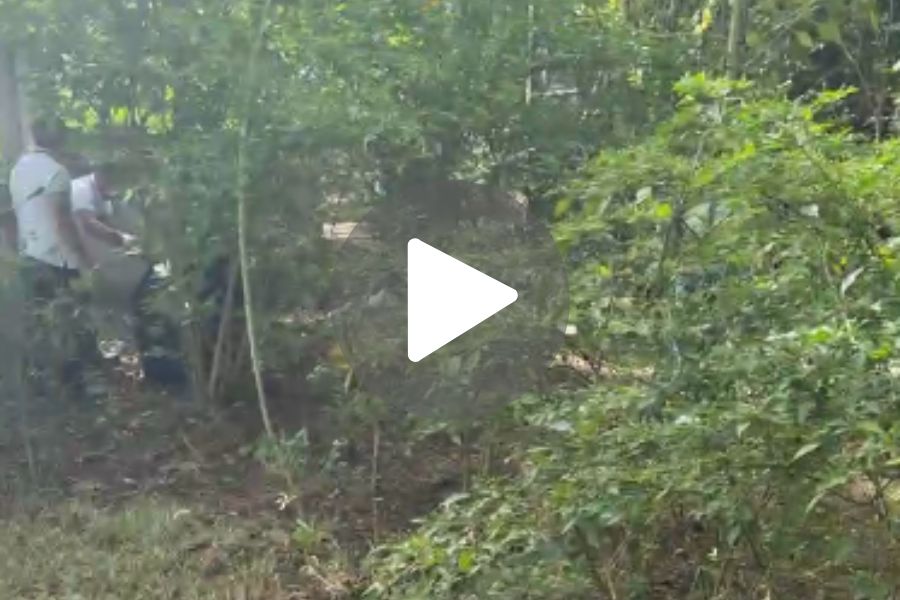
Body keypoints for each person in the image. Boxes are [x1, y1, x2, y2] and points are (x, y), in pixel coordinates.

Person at [8, 116, 98, 400]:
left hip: (30, 256)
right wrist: (81, 258)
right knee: (71, 323)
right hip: (58, 260)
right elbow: (61, 221)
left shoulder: (19, 167)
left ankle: (41, 388)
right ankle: (76, 388)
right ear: (59, 138)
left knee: (40, 323)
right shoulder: (56, 171)